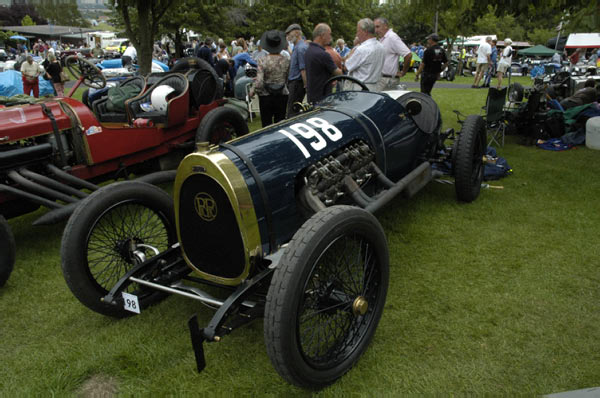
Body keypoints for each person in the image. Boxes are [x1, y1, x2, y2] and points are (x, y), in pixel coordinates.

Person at [253, 30, 290, 127]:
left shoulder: (262, 60)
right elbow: (287, 78)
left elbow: (259, 82)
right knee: (281, 124)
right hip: (282, 94)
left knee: (266, 125)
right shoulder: (286, 60)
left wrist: (254, 90)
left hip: (266, 96)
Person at [304, 23, 343, 104]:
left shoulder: (308, 51)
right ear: (322, 35)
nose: (330, 38)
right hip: (323, 97)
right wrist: (345, 66)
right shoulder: (323, 54)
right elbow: (339, 73)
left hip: (311, 95)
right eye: (329, 34)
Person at [344, 18, 385, 91]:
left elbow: (346, 66)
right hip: (375, 87)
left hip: (360, 88)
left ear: (365, 32)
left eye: (358, 31)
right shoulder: (381, 47)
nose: (357, 34)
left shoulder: (361, 49)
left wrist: (353, 50)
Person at [374, 17, 412, 91]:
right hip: (382, 79)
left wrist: (403, 72)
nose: (375, 30)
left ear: (386, 26)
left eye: (378, 27)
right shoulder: (383, 39)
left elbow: (408, 55)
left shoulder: (392, 37)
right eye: (374, 27)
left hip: (387, 80)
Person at [285, 23, 308, 117]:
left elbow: (303, 69)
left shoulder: (301, 48)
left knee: (292, 112)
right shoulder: (297, 47)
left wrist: (306, 85)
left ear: (297, 33)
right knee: (293, 110)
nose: (288, 37)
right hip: (294, 83)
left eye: (289, 34)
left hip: (297, 84)